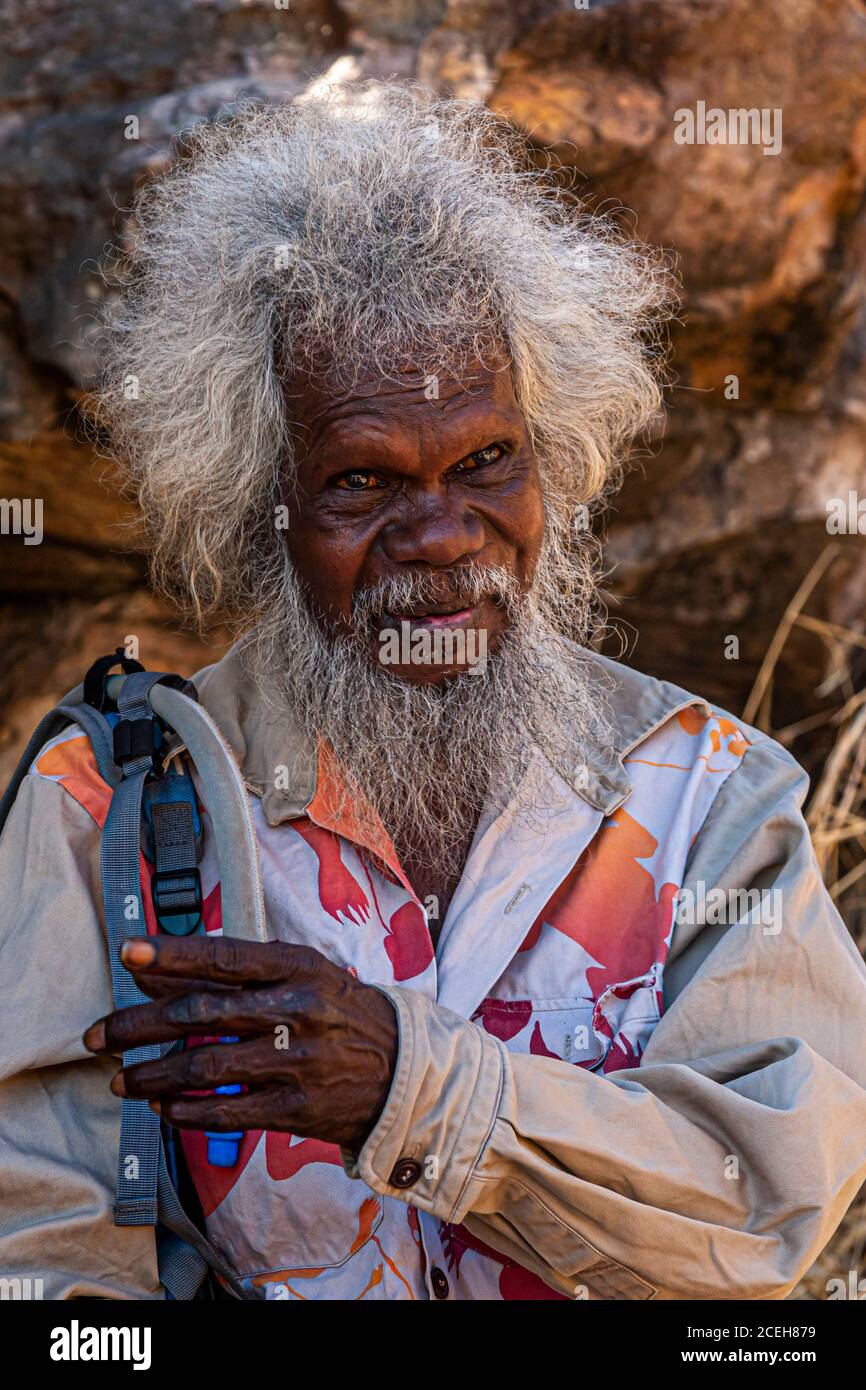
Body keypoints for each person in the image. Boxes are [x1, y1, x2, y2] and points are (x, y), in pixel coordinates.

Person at [1, 80, 865, 1302]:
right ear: (266, 509)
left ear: (551, 462)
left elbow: (763, 1221)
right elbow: (43, 1267)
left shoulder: (713, 801)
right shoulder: (106, 810)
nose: (438, 536)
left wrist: (405, 1081)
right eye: (360, 483)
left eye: (483, 464)